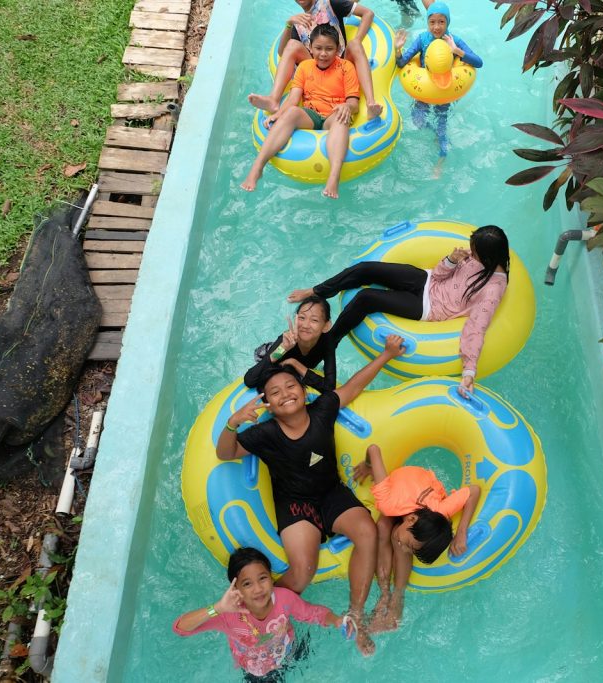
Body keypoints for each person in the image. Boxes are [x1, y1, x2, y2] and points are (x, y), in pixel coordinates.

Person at [216, 334, 406, 656]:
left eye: (290, 387)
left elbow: (354, 387)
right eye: (274, 393)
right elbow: (225, 453)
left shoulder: (322, 410)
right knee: (303, 571)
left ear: (303, 392)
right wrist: (233, 423)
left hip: (332, 494)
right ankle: (258, 615)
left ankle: (355, 615)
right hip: (295, 505)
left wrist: (386, 355)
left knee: (367, 531)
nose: (285, 394)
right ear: (268, 405)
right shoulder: (265, 433)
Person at [288, 225, 509, 398]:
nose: (471, 252)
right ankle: (316, 290)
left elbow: (476, 328)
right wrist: (451, 261)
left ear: (488, 257)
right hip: (427, 279)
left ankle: (327, 344)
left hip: (428, 307)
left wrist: (469, 371)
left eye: (475, 251)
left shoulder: (492, 290)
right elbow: (441, 275)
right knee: (366, 268)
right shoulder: (476, 257)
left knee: (366, 298)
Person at [352, 444, 481, 632]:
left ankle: (397, 598)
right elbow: (373, 448)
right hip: (402, 489)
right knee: (382, 528)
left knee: (398, 541)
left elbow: (473, 492)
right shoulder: (389, 501)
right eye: (409, 545)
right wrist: (368, 465)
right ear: (411, 519)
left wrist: (461, 531)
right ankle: (384, 593)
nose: (405, 550)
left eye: (411, 550)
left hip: (421, 499)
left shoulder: (439, 513)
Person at [173, 547, 351, 682]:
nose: (258, 589)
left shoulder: (284, 598)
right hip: (256, 671)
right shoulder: (228, 615)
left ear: (271, 578)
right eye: (247, 584)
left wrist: (336, 619)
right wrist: (218, 607)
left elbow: (312, 613)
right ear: (236, 589)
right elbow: (180, 628)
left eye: (263, 578)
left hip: (291, 651)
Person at [241, 24, 358, 199]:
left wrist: (346, 107)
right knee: (291, 112)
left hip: (333, 115)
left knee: (342, 119)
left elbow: (354, 103)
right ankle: (257, 168)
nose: (323, 54)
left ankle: (333, 178)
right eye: (318, 48)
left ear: (338, 49)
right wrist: (278, 115)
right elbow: (294, 99)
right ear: (310, 48)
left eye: (329, 49)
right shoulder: (304, 67)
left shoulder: (346, 67)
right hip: (311, 115)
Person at [248, 0, 383, 122]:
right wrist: (289, 24)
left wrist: (357, 40)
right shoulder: (298, 23)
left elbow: (368, 13)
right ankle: (273, 99)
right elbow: (283, 53)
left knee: (355, 44)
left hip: (340, 61)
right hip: (315, 67)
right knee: (292, 45)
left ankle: (370, 103)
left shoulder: (331, 3)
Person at [393, 1, 482, 160]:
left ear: (448, 22)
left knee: (442, 127)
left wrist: (456, 51)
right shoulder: (422, 39)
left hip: (445, 89)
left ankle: (442, 155)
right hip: (424, 87)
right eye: (432, 22)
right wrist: (398, 49)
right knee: (418, 121)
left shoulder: (454, 40)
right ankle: (433, 133)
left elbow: (478, 62)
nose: (436, 27)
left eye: (441, 22)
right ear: (427, 22)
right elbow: (401, 63)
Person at [244, 296, 336, 392]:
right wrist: (283, 348)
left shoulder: (327, 342)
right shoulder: (285, 341)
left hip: (295, 363)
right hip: (275, 352)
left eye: (314, 320)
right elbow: (250, 380)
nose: (305, 325)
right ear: (295, 319)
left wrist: (294, 363)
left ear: (326, 326)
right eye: (302, 318)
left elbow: (330, 387)